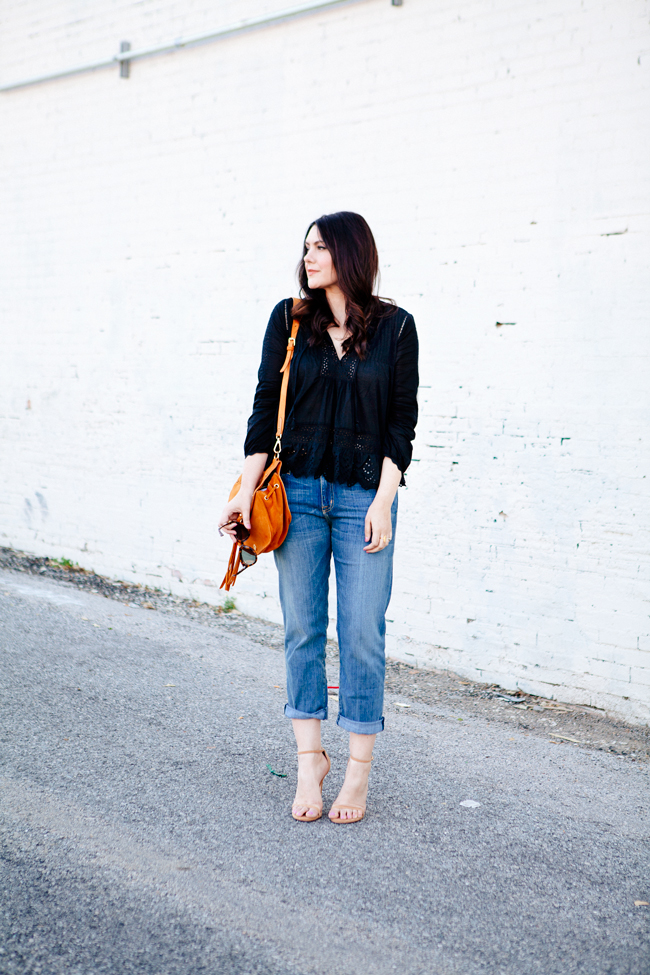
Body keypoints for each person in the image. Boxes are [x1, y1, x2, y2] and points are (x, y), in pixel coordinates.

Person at [219, 211, 418, 823]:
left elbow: (400, 428)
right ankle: (311, 762)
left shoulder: (397, 328)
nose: (309, 257)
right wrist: (245, 491)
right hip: (297, 493)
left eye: (322, 247)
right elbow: (262, 409)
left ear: (351, 254)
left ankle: (357, 775)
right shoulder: (288, 319)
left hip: (363, 498)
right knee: (302, 630)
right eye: (306, 247)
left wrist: (384, 502)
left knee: (361, 633)